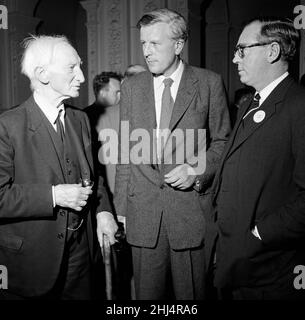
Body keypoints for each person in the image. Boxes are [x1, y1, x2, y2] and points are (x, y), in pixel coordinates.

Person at [114, 8, 231, 300]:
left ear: (178, 45)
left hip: (189, 215)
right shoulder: (130, 88)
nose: (147, 52)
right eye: (143, 44)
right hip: (143, 216)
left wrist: (196, 171)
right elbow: (126, 151)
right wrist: (121, 209)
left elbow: (222, 142)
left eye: (155, 44)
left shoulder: (208, 83)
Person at [0, 35, 118, 300]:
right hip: (31, 265)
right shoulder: (6, 126)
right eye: (71, 68)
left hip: (81, 258)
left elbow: (94, 178)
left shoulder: (80, 120)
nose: (82, 77)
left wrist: (103, 213)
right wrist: (53, 195)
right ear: (42, 74)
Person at [207, 17, 305, 300]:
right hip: (235, 261)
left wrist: (261, 232)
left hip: (269, 269)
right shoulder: (250, 103)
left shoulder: (299, 106)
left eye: (242, 50)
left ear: (272, 51)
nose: (235, 58)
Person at [85, 72, 122, 196]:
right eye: (117, 92)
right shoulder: (82, 118)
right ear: (102, 93)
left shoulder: (125, 116)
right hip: (97, 191)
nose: (121, 95)